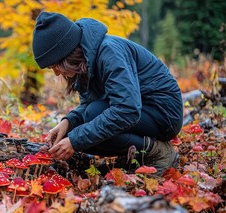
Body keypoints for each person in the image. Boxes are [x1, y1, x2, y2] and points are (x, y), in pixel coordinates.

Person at [32, 12, 183, 175]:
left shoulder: (109, 52)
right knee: (79, 127)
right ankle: (136, 155)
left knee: (89, 120)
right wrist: (68, 122)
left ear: (67, 54)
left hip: (163, 114)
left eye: (55, 65)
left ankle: (159, 152)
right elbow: (88, 105)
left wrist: (75, 141)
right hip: (141, 113)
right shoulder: (85, 60)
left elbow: (128, 109)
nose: (56, 73)